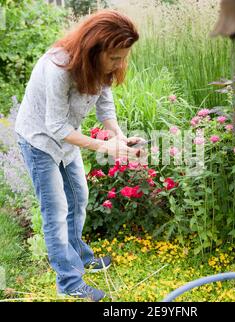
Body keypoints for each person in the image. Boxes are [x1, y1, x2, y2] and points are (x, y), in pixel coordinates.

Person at [14, 9, 144, 302]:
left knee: (78, 197)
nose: (120, 64)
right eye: (115, 58)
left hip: (66, 138)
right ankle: (69, 282)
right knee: (56, 211)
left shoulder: (102, 68)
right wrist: (103, 147)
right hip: (39, 141)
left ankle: (80, 256)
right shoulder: (59, 67)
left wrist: (118, 136)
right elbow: (55, 125)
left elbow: (104, 103)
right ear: (94, 48)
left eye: (124, 57)